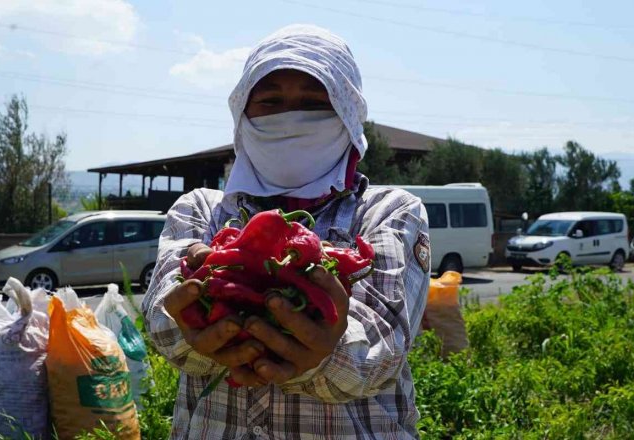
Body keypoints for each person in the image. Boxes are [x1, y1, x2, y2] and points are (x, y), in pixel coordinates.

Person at [142, 24, 430, 439]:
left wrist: (328, 350)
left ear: (348, 115)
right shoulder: (200, 211)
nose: (291, 118)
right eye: (271, 101)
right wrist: (192, 328)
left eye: (315, 103)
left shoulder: (389, 211)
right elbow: (162, 322)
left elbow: (382, 346)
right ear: (243, 113)